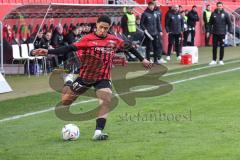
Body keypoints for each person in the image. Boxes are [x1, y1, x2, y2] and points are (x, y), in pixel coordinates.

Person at [32, 15, 152, 141]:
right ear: (96, 25)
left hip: (103, 77)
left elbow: (129, 47)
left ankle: (98, 132)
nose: (103, 30)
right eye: (101, 27)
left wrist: (142, 59)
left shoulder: (113, 40)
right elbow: (69, 48)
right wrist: (48, 52)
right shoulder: (87, 39)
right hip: (86, 77)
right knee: (65, 101)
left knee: (106, 101)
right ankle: (68, 81)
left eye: (106, 28)